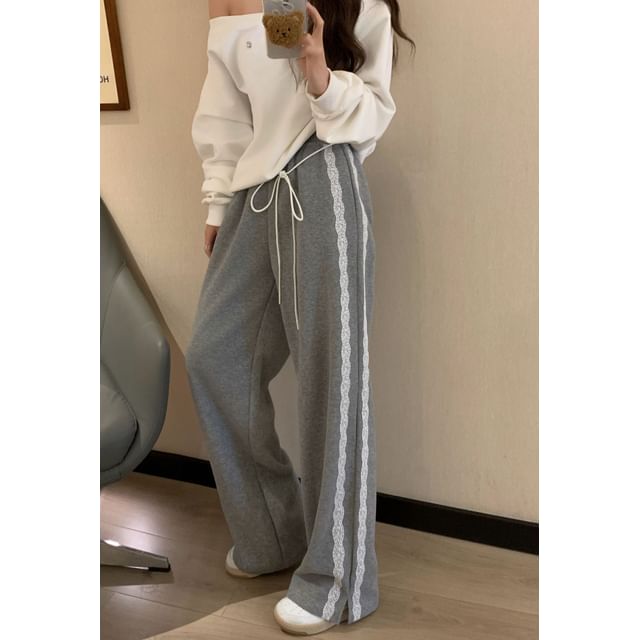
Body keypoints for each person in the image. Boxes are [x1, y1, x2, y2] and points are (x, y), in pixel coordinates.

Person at [185, 0, 414, 634]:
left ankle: (337, 579)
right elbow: (224, 107)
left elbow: (375, 110)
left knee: (331, 380)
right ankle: (272, 534)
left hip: (323, 173)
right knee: (214, 357)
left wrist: (319, 74)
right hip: (254, 192)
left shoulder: (357, 3)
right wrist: (217, 200)